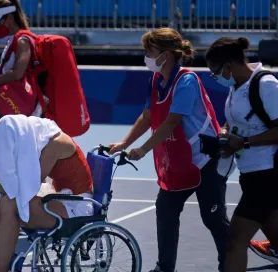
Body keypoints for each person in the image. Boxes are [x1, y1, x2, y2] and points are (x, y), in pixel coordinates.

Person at [108, 27, 231, 272]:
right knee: (165, 211)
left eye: (149, 51)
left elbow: (172, 121)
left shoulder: (186, 80)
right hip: (179, 162)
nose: (145, 56)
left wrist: (142, 150)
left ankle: (229, 265)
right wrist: (125, 143)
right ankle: (164, 268)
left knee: (213, 219)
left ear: (165, 54)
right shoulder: (156, 80)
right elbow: (147, 116)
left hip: (206, 159)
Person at [0, 114, 94, 272]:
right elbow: (16, 182)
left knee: (9, 204)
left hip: (76, 207)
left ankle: (2, 269)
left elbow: (26, 185)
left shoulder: (55, 144)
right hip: (58, 197)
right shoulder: (35, 136)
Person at [206, 36, 278, 271]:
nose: (215, 77)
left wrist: (244, 142)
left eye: (215, 71)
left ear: (229, 64)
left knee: (235, 240)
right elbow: (235, 120)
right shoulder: (237, 87)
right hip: (249, 174)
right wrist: (226, 134)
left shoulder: (266, 85)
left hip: (268, 175)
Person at [0, 0, 44, 116]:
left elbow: (17, 73)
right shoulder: (13, 40)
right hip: (16, 103)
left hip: (28, 111)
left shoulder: (22, 40)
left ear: (10, 18)